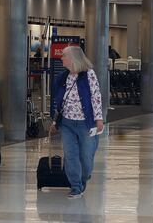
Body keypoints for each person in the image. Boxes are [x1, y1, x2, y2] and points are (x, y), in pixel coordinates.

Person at [50, 46, 104, 199]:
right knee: (70, 155)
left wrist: (99, 119)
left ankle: (83, 179)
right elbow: (59, 101)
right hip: (67, 123)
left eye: (64, 56)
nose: (62, 58)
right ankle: (75, 187)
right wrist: (55, 121)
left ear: (73, 58)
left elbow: (96, 97)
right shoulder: (63, 77)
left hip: (86, 123)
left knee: (86, 157)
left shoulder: (89, 75)